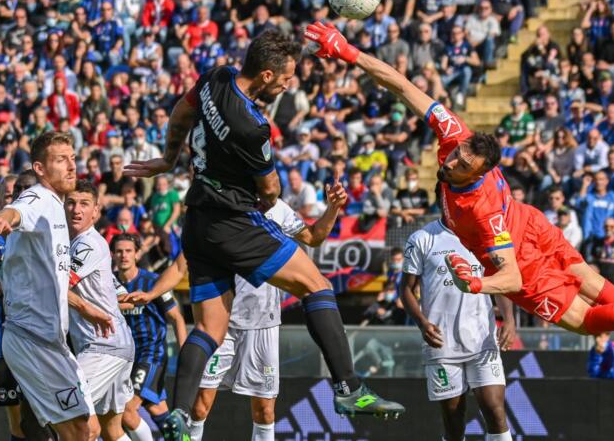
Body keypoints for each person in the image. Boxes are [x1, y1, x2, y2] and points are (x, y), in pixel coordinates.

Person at [304, 21, 614, 399]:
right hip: (532, 222)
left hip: (519, 251)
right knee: (593, 283)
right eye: (454, 157)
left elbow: (511, 276)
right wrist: (348, 52)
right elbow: (402, 85)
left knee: (589, 322)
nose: (449, 163)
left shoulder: (481, 210)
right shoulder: (457, 137)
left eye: (461, 165)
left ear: (482, 170)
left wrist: (477, 286)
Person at [123, 30, 404, 440]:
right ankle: (348, 388)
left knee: (209, 329)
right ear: (267, 75)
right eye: (286, 78)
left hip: (197, 222)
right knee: (317, 285)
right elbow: (270, 191)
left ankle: (179, 414)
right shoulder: (254, 126)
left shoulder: (215, 77)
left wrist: (168, 159)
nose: (289, 84)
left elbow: (182, 113)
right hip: (233, 223)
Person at [189, 189, 347, 441]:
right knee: (199, 405)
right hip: (223, 321)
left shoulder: (280, 210)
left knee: (264, 412)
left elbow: (314, 237)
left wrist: (333, 208)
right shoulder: (223, 208)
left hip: (263, 323)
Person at [0, 132, 111, 440]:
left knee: (90, 429)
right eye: (60, 160)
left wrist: (85, 308)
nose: (71, 166)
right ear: (40, 168)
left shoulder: (56, 206)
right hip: (32, 339)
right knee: (78, 431)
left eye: (73, 158)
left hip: (52, 342)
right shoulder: (38, 197)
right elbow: (17, 210)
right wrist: (4, 217)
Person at [401, 219, 515, 441]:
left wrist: (509, 320)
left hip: (482, 340)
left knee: (494, 409)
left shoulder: (487, 237)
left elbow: (502, 281)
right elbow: (406, 289)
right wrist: (422, 323)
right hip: (441, 342)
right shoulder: (422, 239)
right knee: (454, 421)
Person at [0, 171, 55, 441]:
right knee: (18, 421)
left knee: (51, 416)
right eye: (10, 193)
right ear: (0, 198)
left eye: (21, 192)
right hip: (2, 340)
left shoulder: (47, 231)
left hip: (44, 339)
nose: (16, 197)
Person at [65, 180, 136, 441]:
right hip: (117, 344)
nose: (76, 209)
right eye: (71, 202)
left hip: (103, 347)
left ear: (96, 211)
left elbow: (58, 287)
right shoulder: (82, 244)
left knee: (69, 414)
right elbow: (120, 295)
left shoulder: (86, 243)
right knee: (112, 430)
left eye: (84, 204)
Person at [113, 233, 187, 441]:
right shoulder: (109, 285)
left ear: (137, 254)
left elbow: (177, 318)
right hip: (126, 360)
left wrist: (185, 353)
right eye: (119, 251)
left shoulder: (153, 282)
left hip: (152, 354)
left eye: (128, 251)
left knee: (127, 411)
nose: (124, 255)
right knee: (160, 412)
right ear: (113, 255)